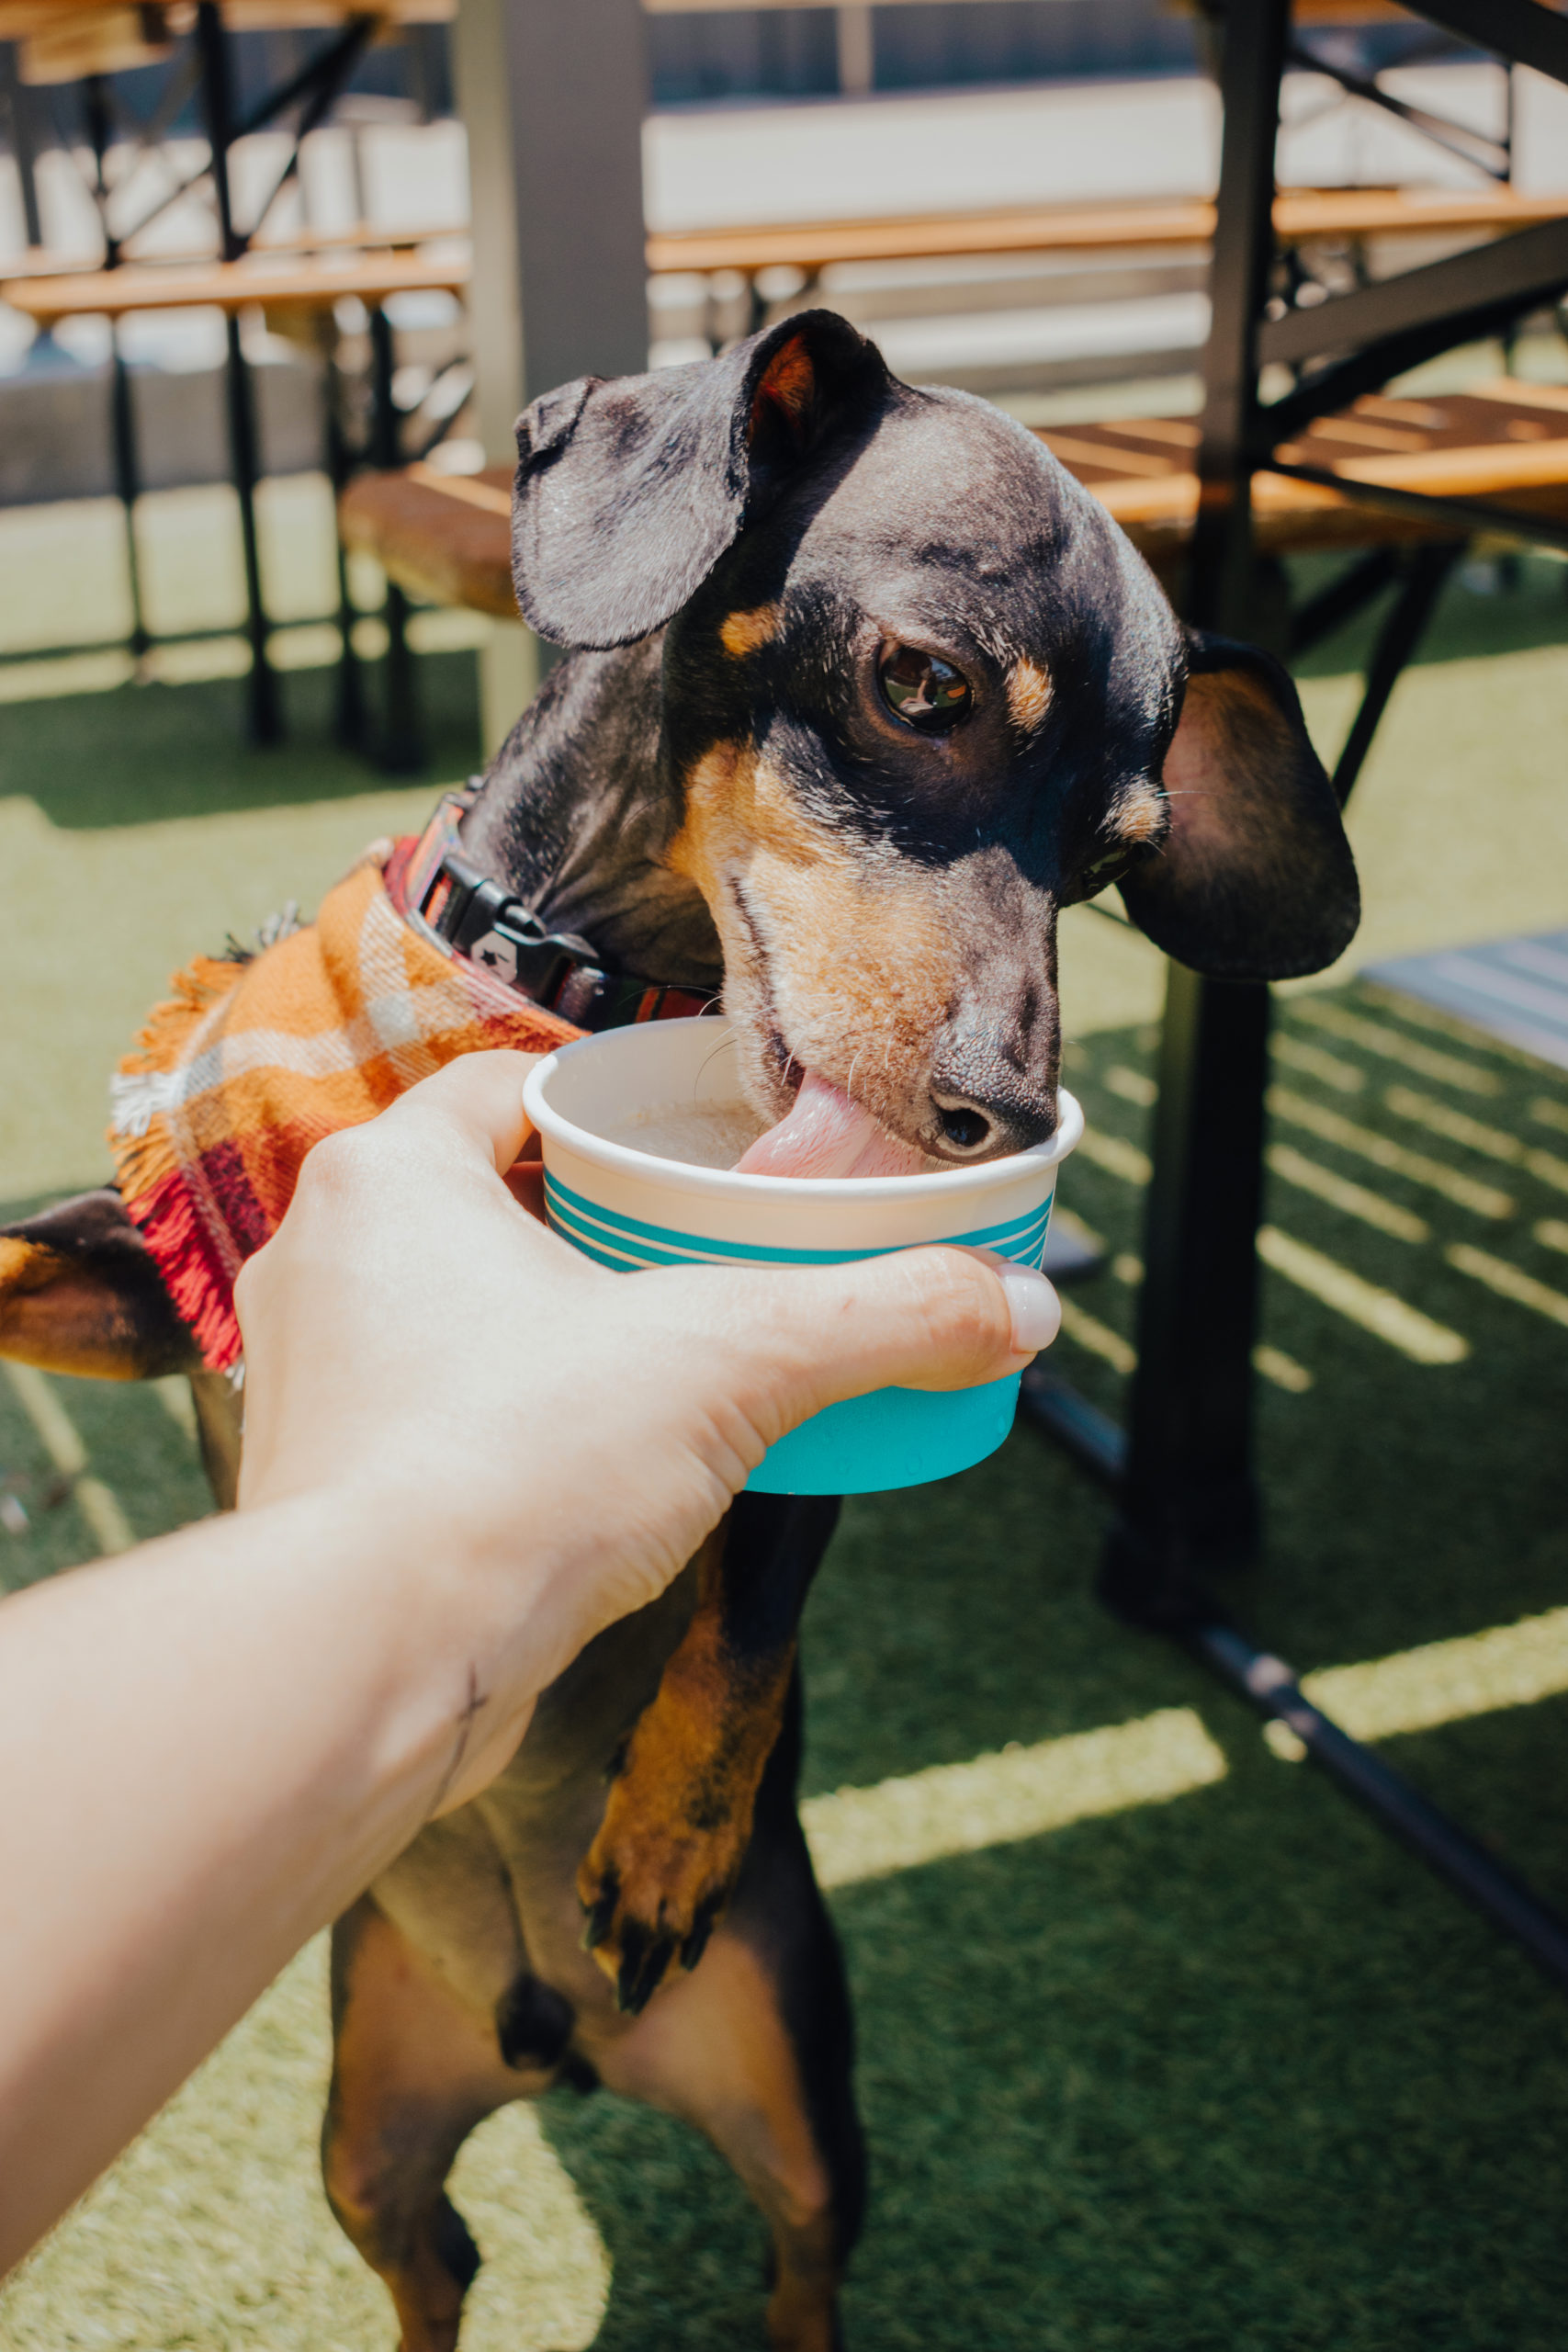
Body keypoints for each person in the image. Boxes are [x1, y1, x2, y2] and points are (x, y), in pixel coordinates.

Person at [0, 1050, 1060, 2272]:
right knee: (365, 2190)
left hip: (559, 1843)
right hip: (427, 1901)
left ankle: (801, 2320)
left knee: (815, 2204)